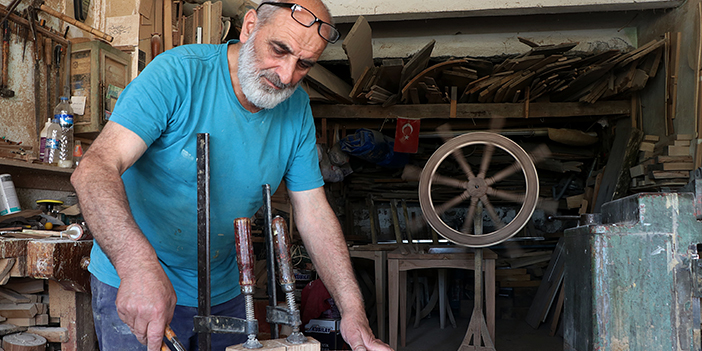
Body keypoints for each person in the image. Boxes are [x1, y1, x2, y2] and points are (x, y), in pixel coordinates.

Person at [71, 0, 393, 350]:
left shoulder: (296, 108)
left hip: (227, 290)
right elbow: (94, 169)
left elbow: (313, 211)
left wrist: (352, 311)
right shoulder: (178, 74)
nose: (286, 75)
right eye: (279, 50)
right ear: (250, 25)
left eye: (304, 64)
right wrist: (136, 267)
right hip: (137, 281)